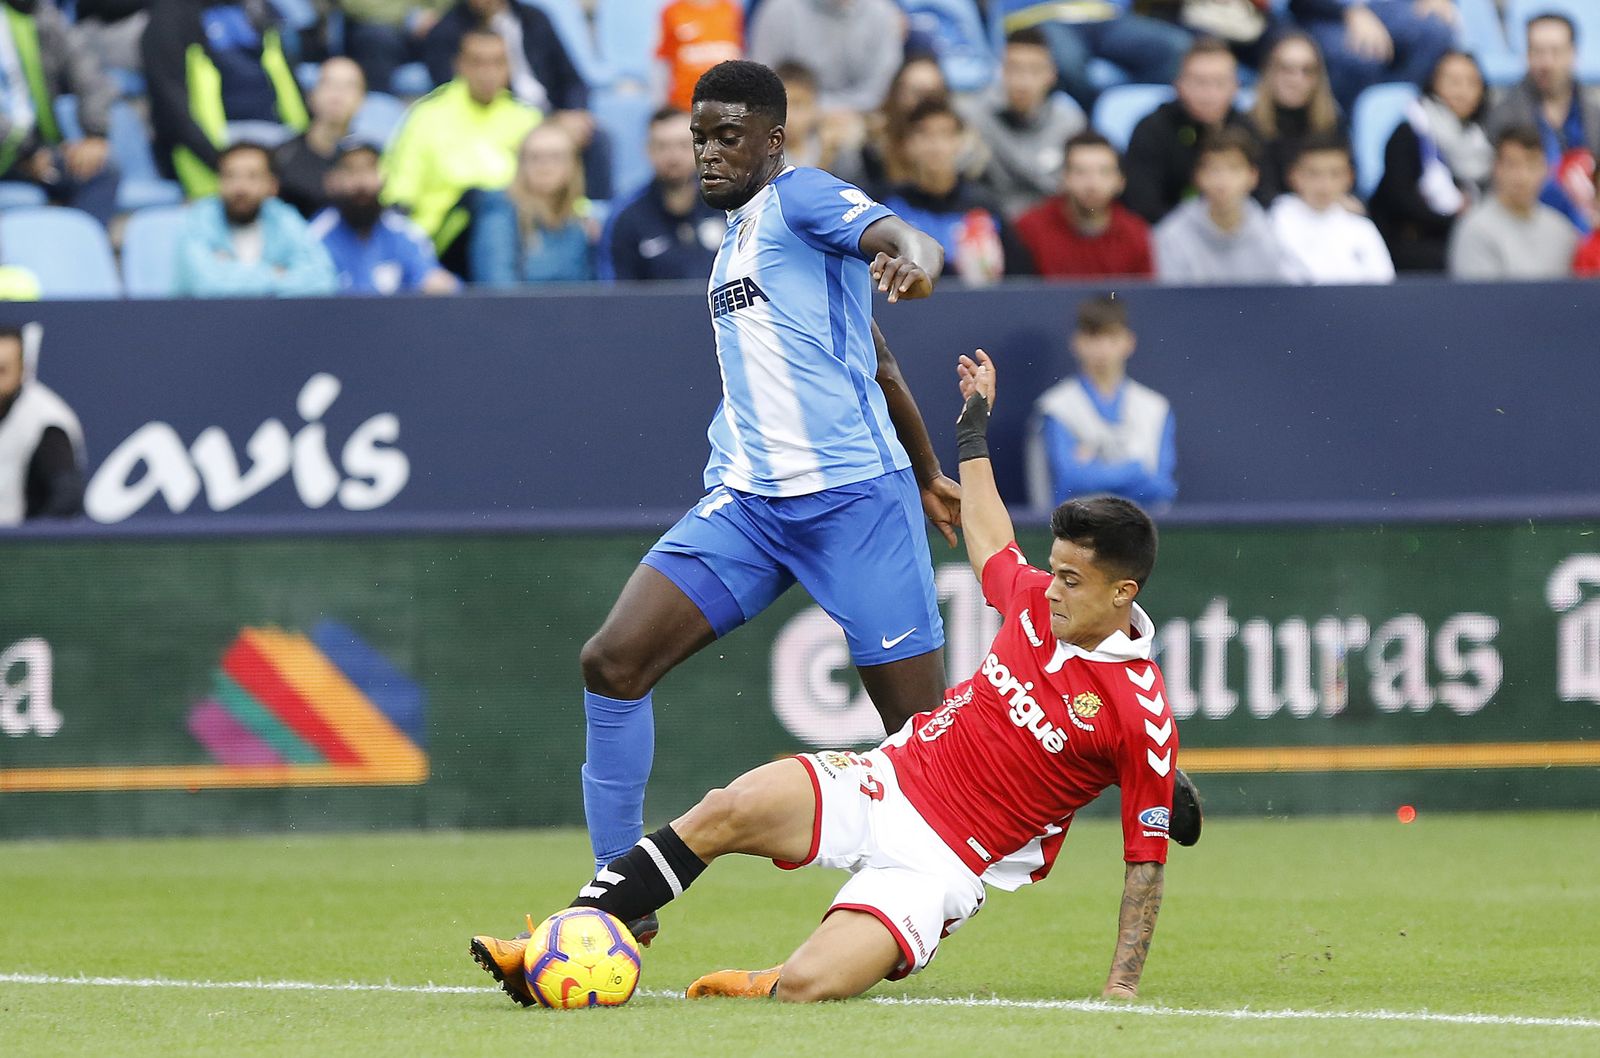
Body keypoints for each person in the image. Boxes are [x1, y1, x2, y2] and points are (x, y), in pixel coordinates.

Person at [471, 347, 1203, 1004]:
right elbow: (989, 538)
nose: (1051, 588)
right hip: (884, 782)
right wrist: (973, 430)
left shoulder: (1138, 711)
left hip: (944, 865)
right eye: (1055, 570)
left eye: (1073, 580)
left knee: (810, 989)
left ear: (1122, 594)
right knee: (725, 809)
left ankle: (774, 982)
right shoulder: (1035, 605)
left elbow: (1145, 867)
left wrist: (1120, 989)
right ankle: (552, 945)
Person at [568, 60, 959, 948]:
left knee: (926, 746)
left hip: (854, 503)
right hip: (748, 504)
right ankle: (621, 894)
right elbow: (881, 363)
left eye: (727, 136)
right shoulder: (740, 235)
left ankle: (1114, 762)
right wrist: (934, 468)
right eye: (699, 136)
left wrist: (915, 259)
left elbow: (903, 239)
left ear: (773, 141)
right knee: (612, 662)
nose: (706, 152)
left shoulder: (802, 197)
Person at [425, 0, 612, 200]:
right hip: (500, 120)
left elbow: (572, 79)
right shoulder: (446, 32)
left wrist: (574, 112)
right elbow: (458, 92)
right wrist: (548, 125)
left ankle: (592, 219)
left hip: (553, 113)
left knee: (597, 138)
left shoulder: (535, 18)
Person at [382, 28, 540, 259]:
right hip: (442, 240)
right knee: (483, 201)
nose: (488, 72)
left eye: (498, 62)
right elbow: (399, 194)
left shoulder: (527, 118)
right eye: (477, 62)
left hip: (520, 234)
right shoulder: (427, 116)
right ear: (460, 65)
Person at [142, 0, 308, 199]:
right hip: (212, 155)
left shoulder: (259, 8)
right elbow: (171, 108)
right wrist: (226, 164)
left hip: (282, 144)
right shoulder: (170, 17)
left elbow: (288, 75)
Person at [1025, 296, 1175, 509]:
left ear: (1129, 342)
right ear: (1076, 342)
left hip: (1140, 532)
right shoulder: (1056, 407)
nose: (1103, 348)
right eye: (1093, 337)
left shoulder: (1155, 407)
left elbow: (1162, 488)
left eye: (1112, 337)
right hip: (1078, 532)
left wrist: (1092, 471)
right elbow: (1068, 482)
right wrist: (1135, 470)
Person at [882, 98, 1034, 285]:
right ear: (908, 144)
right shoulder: (888, 206)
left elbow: (1018, 277)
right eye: (924, 134)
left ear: (960, 142)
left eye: (945, 134)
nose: (936, 145)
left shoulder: (984, 207)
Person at [0, 0, 121, 225]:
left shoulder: (45, 15)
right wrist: (29, 150)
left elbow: (89, 74)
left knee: (98, 171)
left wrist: (95, 134)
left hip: (35, 151)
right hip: (14, 149)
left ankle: (79, 254)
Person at [1370, 50, 1491, 272]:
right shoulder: (1410, 132)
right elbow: (1399, 198)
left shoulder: (1482, 140)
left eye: (1471, 83)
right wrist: (1456, 219)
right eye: (1453, 81)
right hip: (1413, 243)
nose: (1462, 91)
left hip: (1462, 237)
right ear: (1433, 83)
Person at [1124, 37, 1261, 225]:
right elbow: (1142, 206)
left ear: (1235, 87)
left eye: (1219, 82)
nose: (1209, 94)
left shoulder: (1248, 130)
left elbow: (1264, 197)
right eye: (1199, 82)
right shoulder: (1151, 129)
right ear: (1179, 85)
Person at [171, 141, 338, 297]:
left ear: (272, 185)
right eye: (230, 176)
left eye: (252, 176)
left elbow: (322, 279)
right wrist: (277, 274)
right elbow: (206, 284)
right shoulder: (199, 219)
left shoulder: (284, 217)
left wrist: (231, 271)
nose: (240, 187)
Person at [1485, 12, 1600, 233]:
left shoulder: (1594, 115)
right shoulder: (1503, 116)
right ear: (1527, 55)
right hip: (1524, 230)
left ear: (1573, 54)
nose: (1546, 62)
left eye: (1556, 51)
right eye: (1538, 52)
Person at [959, 27, 1087, 219]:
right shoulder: (973, 115)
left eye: (1034, 70)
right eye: (1014, 68)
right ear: (1002, 71)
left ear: (1051, 75)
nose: (1023, 81)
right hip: (996, 223)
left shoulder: (1069, 121)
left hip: (1051, 225)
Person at [1153, 126, 1301, 284]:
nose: (1222, 182)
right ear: (1197, 176)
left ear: (1253, 176)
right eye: (1213, 170)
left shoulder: (1275, 232)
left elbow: (1278, 298)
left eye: (1234, 168)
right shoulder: (1171, 235)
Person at [308, 141, 459, 295]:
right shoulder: (315, 235)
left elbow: (431, 277)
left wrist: (437, 283)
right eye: (350, 170)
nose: (362, 182)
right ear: (332, 180)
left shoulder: (403, 231)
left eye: (370, 169)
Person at [993, 0, 1193, 112]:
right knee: (1070, 64)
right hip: (1043, 15)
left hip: (1103, 14)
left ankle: (1134, 116)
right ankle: (1091, 125)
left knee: (1178, 46)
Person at [601, 107, 724, 281]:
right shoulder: (625, 217)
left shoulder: (728, 207)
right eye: (663, 146)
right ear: (648, 150)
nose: (674, 157)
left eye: (683, 145)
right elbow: (617, 292)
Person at [1015, 130, 1153, 279]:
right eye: (1080, 172)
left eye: (1104, 172)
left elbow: (1144, 299)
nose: (1092, 184)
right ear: (1064, 178)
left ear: (1120, 181)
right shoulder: (1028, 230)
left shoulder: (1135, 233)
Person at [470, 123, 596, 284]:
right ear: (521, 164)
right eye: (535, 157)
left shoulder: (577, 222)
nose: (545, 166)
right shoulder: (499, 213)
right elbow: (497, 289)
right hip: (518, 308)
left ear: (574, 164)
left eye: (556, 156)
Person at [1448, 125, 1578, 280]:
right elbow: (1478, 299)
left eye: (1531, 165)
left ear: (1546, 170)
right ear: (1496, 168)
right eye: (1512, 164)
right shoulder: (1475, 229)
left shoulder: (1563, 231)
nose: (1522, 177)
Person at [1287, 0, 1455, 112]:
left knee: (1436, 29)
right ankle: (1354, 130)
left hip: (1387, 6)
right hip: (1326, 14)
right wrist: (1350, 9)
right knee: (1363, 54)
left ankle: (1410, 116)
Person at [747, 0, 904, 119]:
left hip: (861, 117)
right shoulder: (779, 10)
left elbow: (882, 87)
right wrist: (811, 112)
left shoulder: (882, 13)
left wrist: (839, 113)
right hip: (793, 114)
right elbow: (765, 79)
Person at [1271, 133, 1394, 283]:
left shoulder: (1362, 228)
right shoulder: (1274, 222)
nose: (1325, 185)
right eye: (1313, 174)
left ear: (1349, 177)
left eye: (1335, 174)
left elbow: (1384, 281)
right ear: (1294, 175)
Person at [0, 324, 84, 526]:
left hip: (15, 549)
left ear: (23, 371)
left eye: (2, 370)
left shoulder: (47, 423)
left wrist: (32, 543)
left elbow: (67, 496)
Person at [1249, 31, 1344, 203]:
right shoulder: (1248, 125)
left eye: (1307, 71)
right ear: (1270, 72)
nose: (1296, 80)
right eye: (1286, 69)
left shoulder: (1333, 124)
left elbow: (1347, 182)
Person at [272, 57, 367, 219]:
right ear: (311, 95)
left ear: (362, 100)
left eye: (349, 86)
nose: (338, 94)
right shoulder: (282, 156)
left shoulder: (368, 162)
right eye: (329, 84)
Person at [859, 55, 951, 195]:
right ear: (896, 93)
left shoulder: (965, 148)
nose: (924, 102)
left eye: (933, 93)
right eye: (916, 92)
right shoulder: (871, 147)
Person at [775, 61, 865, 185]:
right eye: (782, 106)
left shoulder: (831, 146)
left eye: (798, 105)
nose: (789, 116)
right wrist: (825, 159)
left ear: (815, 108)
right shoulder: (767, 156)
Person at [341, 0, 447, 94]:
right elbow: (354, 5)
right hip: (381, 30)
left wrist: (436, 17)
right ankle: (381, 107)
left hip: (430, 29)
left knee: (449, 33)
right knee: (377, 38)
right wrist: (410, 17)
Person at [657, 0, 744, 113]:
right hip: (684, 105)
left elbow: (742, 53)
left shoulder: (732, 9)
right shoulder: (673, 11)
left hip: (726, 104)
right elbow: (663, 60)